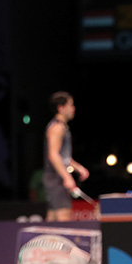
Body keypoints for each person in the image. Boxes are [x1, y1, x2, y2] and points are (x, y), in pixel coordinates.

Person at [43, 91, 89, 221]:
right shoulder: (57, 128)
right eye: (71, 105)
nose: (73, 108)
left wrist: (78, 167)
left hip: (56, 177)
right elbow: (53, 155)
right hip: (55, 178)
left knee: (52, 217)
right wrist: (67, 177)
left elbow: (63, 156)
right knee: (63, 216)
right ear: (61, 108)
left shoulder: (62, 127)